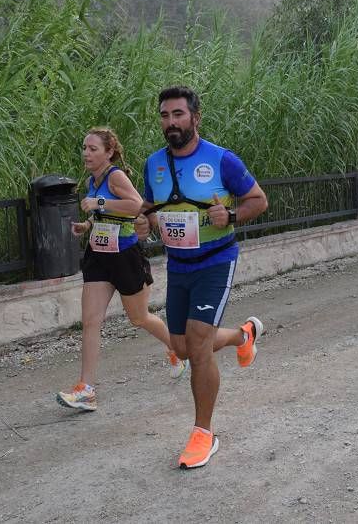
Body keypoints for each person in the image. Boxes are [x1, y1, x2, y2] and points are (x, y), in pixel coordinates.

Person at [133, 85, 268, 470]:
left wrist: (232, 216)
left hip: (215, 260)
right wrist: (144, 222)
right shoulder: (154, 164)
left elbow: (258, 200)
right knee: (185, 345)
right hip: (178, 265)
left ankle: (202, 434)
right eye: (164, 115)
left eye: (178, 114)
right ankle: (244, 335)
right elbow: (149, 206)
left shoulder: (222, 160)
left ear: (195, 117)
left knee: (196, 343)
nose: (171, 122)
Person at [56, 127, 186, 413]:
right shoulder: (94, 179)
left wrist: (99, 202)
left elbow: (137, 205)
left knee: (139, 318)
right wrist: (88, 225)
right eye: (84, 148)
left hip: (125, 257)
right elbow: (108, 214)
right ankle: (86, 389)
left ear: (109, 152)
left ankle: (177, 348)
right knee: (90, 321)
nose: (86, 153)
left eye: (93, 149)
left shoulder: (115, 176)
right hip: (99, 257)